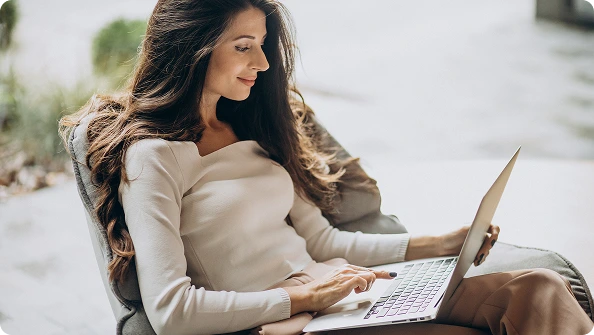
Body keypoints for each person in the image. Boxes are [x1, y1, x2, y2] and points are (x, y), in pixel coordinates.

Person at [59, 0, 594, 334]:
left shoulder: (253, 132)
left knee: (539, 289)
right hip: (290, 320)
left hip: (338, 296)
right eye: (244, 46)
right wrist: (303, 298)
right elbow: (172, 311)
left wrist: (446, 243)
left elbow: (326, 243)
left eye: (263, 46)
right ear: (192, 50)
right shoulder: (152, 158)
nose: (263, 63)